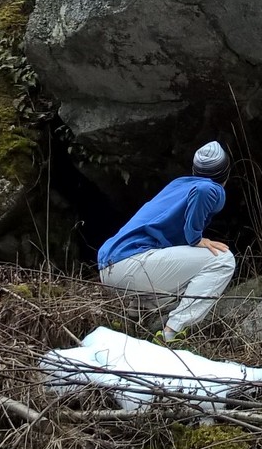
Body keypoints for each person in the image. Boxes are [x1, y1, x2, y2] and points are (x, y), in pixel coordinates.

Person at [98, 141, 236, 341]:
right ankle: (171, 334)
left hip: (110, 267)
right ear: (226, 173)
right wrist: (196, 238)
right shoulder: (211, 188)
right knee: (223, 260)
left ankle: (133, 317)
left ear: (194, 170)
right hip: (132, 264)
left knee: (186, 276)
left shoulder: (178, 184)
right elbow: (204, 190)